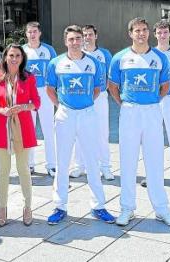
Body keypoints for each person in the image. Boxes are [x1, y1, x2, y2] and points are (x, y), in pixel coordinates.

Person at [107, 18, 170, 227]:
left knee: (155, 160)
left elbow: (165, 86)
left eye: (144, 30)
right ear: (130, 33)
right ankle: (127, 208)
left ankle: (161, 209)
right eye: (137, 30)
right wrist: (125, 104)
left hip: (152, 112)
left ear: (149, 33)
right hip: (129, 111)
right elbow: (113, 86)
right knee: (128, 161)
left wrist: (152, 101)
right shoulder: (120, 58)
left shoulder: (160, 58)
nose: (141, 34)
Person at [46, 25, 115, 225]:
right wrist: (62, 106)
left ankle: (98, 206)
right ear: (65, 41)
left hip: (87, 114)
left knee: (92, 161)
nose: (75, 42)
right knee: (62, 162)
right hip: (65, 115)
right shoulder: (55, 63)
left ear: (82, 40)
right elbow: (51, 90)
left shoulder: (94, 63)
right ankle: (60, 206)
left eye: (78, 38)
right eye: (71, 39)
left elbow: (96, 90)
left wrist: (82, 106)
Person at [0, 44, 40, 227]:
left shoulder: (29, 78)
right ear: (5, 57)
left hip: (23, 128)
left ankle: (27, 207)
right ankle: (2, 207)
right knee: (3, 171)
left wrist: (23, 107)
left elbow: (37, 102)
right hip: (1, 127)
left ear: (22, 58)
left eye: (18, 55)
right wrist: (2, 110)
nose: (14, 58)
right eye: (11, 55)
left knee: (23, 169)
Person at [140, 19, 170, 190]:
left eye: (165, 32)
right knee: (152, 138)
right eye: (159, 32)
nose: (162, 35)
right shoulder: (149, 54)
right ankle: (153, 175)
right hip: (154, 100)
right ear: (155, 34)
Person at [69, 24, 113, 180]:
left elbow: (110, 77)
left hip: (100, 97)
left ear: (96, 36)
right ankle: (79, 166)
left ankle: (105, 167)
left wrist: (101, 90)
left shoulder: (104, 54)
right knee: (79, 132)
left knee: (102, 132)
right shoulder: (78, 55)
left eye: (90, 35)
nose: (87, 37)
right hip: (82, 99)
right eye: (85, 35)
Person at [22, 21, 58, 177]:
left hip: (44, 92)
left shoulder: (49, 50)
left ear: (40, 33)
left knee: (48, 129)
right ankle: (29, 164)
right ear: (26, 34)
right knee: (28, 130)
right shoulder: (21, 50)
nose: (32, 34)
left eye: (35, 31)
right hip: (27, 93)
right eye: (29, 32)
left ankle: (52, 165)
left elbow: (56, 69)